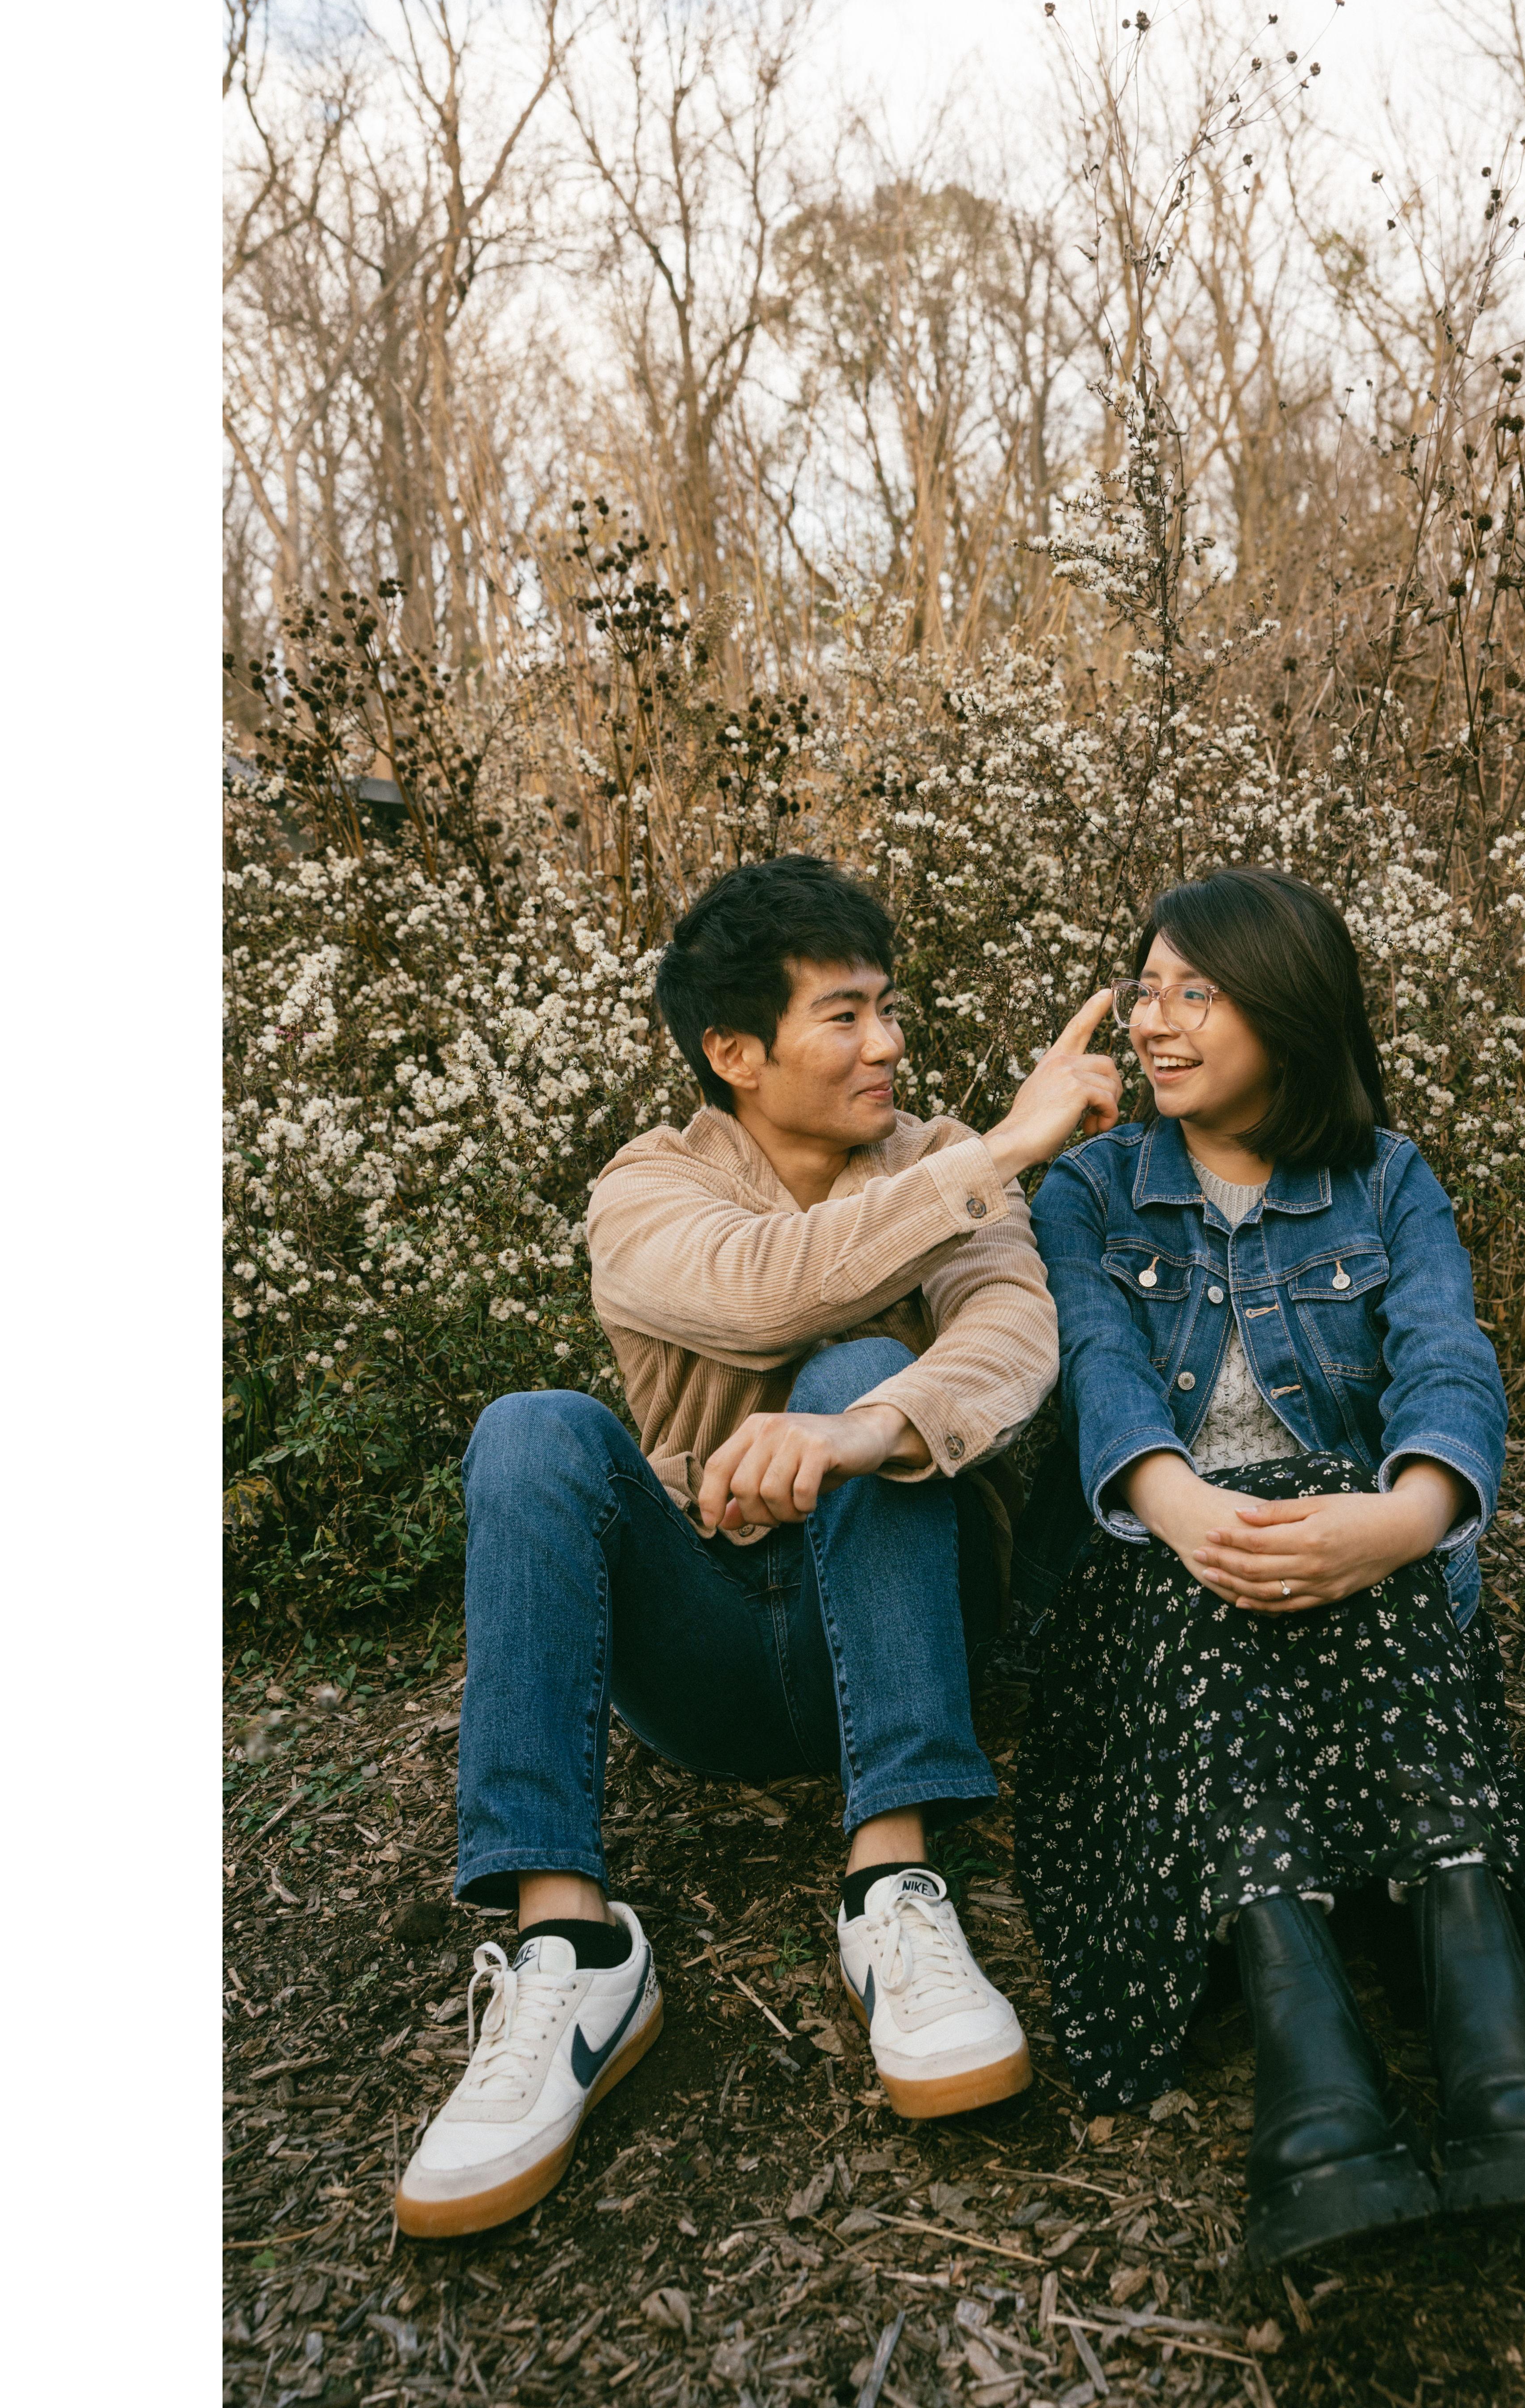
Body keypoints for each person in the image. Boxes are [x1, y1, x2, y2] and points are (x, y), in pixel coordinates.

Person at [394, 854, 1121, 2239]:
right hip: (715, 1648)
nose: (887, 1043)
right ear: (735, 1051)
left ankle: (893, 1885)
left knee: (863, 1370)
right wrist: (1005, 1150)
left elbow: (1015, 1333)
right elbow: (758, 1293)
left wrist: (868, 1426)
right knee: (532, 1429)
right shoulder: (648, 1188)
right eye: (844, 1015)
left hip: (913, 1624)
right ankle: (569, 1949)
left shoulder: (929, 1155)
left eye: (887, 1007)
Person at [1015, 866, 1525, 2271]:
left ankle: (1487, 2021)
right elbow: (1102, 1370)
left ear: (1288, 1010)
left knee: (1334, 1495)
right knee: (1247, 1524)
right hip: (1160, 1586)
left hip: (1364, 1577)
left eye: (1198, 992)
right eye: (1145, 989)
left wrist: (1407, 1518)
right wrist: (1180, 1505)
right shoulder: (1093, 1189)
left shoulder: (1385, 1179)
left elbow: (1446, 1357)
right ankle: (1310, 2046)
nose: (1154, 1022)